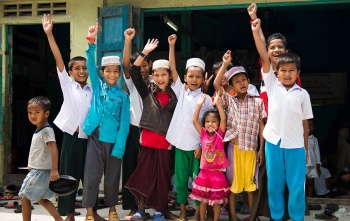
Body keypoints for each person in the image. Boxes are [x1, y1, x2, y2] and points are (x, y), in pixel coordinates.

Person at [252, 17, 313, 221]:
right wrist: (256, 28)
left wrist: (305, 149)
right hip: (273, 142)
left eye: (291, 71)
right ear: (275, 72)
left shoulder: (302, 94)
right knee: (274, 185)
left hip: (296, 145)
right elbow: (263, 53)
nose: (287, 74)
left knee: (296, 186)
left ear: (298, 73)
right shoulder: (271, 83)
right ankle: (276, 217)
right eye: (283, 71)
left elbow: (305, 123)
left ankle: (297, 218)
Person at [42, 14, 97, 221]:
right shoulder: (68, 86)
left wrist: (91, 39)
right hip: (72, 139)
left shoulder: (93, 91)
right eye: (77, 69)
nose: (82, 71)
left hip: (90, 140)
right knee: (68, 178)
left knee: (90, 178)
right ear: (71, 72)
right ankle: (70, 214)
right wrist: (49, 33)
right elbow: (58, 58)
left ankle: (91, 213)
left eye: (85, 68)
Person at [125, 37, 177, 221]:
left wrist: (171, 46)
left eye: (164, 75)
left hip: (165, 143)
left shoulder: (175, 95)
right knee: (144, 176)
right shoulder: (147, 91)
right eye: (157, 75)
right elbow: (133, 70)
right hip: (147, 141)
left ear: (170, 76)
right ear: (153, 76)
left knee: (162, 179)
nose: (160, 78)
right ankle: (140, 210)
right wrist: (144, 52)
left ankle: (159, 211)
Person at [82, 23, 130, 221]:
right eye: (108, 71)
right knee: (92, 175)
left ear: (119, 74)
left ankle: (112, 209)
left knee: (111, 178)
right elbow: (90, 65)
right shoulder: (98, 87)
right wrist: (91, 41)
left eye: (115, 72)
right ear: (102, 72)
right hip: (94, 137)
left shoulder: (123, 96)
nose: (112, 75)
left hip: (113, 142)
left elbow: (125, 125)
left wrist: (119, 147)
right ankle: (90, 212)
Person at [213, 50, 266, 221]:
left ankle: (252, 217)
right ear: (231, 86)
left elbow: (261, 125)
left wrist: (261, 149)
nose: (241, 83)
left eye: (244, 80)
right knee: (234, 186)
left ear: (249, 82)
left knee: (251, 187)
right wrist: (225, 64)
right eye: (236, 81)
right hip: (234, 149)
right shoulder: (229, 100)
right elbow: (215, 85)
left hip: (251, 150)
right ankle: (233, 217)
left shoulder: (257, 101)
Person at [166, 34, 213, 221]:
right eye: (190, 76)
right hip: (180, 145)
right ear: (185, 77)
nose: (194, 79)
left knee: (198, 181)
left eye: (198, 77)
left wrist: (202, 146)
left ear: (203, 79)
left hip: (197, 148)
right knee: (180, 180)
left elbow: (210, 127)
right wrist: (171, 45)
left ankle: (199, 214)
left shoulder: (207, 100)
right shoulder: (181, 92)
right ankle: (183, 211)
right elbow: (172, 67)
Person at [19, 96, 63, 221]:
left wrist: (54, 170)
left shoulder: (46, 130)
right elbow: (38, 152)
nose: (33, 116)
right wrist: (31, 164)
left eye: (37, 112)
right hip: (37, 170)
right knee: (41, 198)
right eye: (30, 113)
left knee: (25, 197)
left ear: (46, 113)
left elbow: (54, 149)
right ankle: (59, 219)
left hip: (40, 172)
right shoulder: (39, 130)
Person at [189, 94, 230, 221]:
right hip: (204, 174)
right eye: (207, 121)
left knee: (217, 201)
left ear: (218, 124)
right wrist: (199, 105)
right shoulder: (203, 134)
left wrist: (217, 103)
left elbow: (223, 119)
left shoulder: (220, 134)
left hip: (217, 174)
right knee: (203, 201)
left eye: (213, 121)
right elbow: (194, 120)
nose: (210, 124)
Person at [121, 28, 144, 220]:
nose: (141, 68)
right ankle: (131, 207)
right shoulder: (133, 84)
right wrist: (128, 41)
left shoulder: (156, 82)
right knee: (130, 168)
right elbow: (126, 66)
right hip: (133, 131)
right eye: (138, 65)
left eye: (145, 64)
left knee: (148, 171)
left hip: (152, 133)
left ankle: (147, 206)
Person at [306, 118, 321, 197]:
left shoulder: (314, 139)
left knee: (310, 183)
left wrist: (318, 165)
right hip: (303, 165)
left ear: (314, 127)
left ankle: (309, 199)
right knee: (302, 183)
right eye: (307, 125)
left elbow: (317, 153)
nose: (309, 127)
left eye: (311, 125)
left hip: (312, 164)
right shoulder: (299, 138)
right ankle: (302, 200)